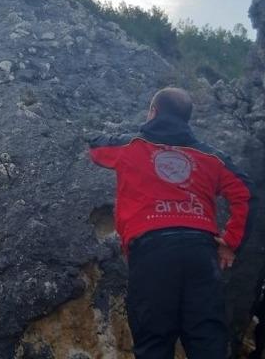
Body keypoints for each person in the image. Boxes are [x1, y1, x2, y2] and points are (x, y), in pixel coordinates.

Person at [88, 87, 251, 359]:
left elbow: (96, 146)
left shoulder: (132, 146)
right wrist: (231, 242)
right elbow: (245, 193)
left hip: (152, 252)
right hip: (202, 252)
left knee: (154, 342)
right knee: (207, 340)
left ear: (153, 112)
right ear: (186, 119)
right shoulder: (212, 157)